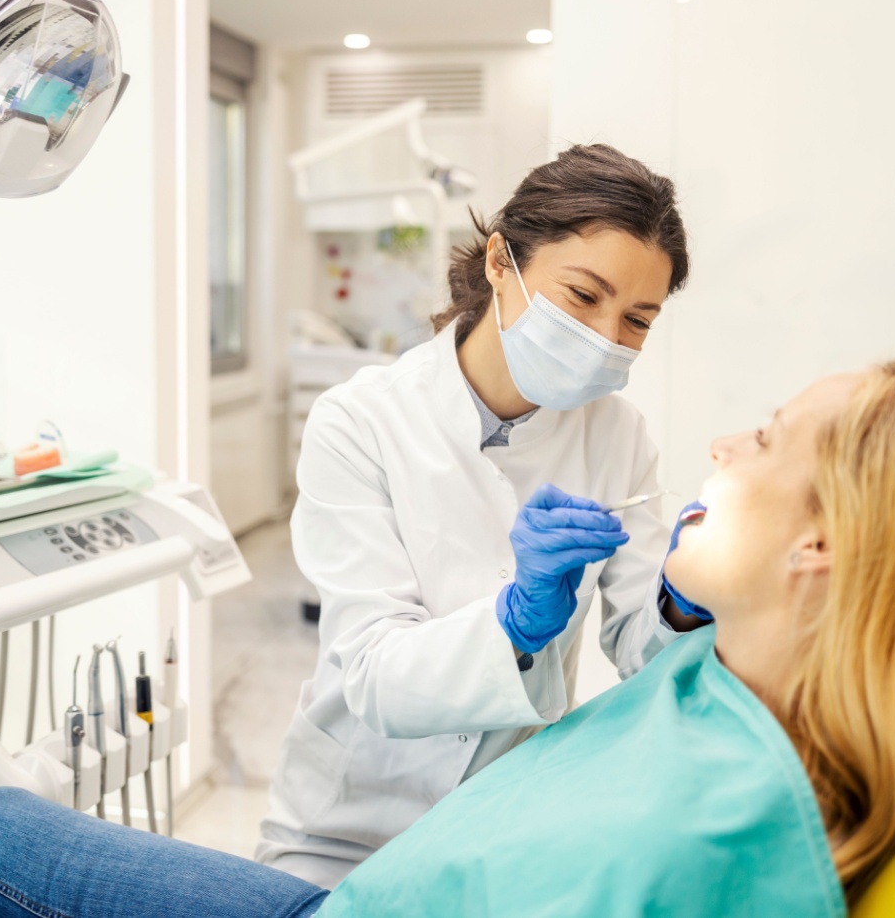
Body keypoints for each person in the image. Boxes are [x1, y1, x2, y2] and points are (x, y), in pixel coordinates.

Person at [0, 358, 895, 917]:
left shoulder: (691, 816)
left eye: (768, 437)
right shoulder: (744, 713)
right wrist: (587, 613)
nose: (722, 441)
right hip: (373, 856)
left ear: (823, 552)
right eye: (587, 300)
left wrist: (616, 606)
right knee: (3, 831)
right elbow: (375, 672)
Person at [256, 143, 702, 886]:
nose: (605, 337)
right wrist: (514, 623)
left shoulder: (618, 436)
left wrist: (682, 601)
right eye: (582, 296)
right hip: (343, 828)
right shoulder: (360, 421)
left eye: (637, 320)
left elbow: (641, 649)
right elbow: (372, 674)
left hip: (498, 827)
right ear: (501, 261)